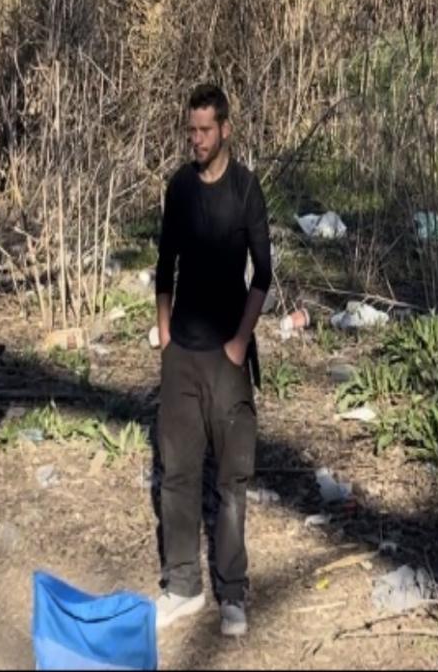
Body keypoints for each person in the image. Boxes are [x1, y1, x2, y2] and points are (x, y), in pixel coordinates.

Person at [152, 84, 273, 640]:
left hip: (227, 354)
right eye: (190, 130)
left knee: (231, 480)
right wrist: (163, 330)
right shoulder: (178, 187)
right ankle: (182, 585)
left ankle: (232, 591)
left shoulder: (247, 190)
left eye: (204, 130)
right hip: (182, 352)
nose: (195, 140)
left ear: (225, 128)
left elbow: (263, 276)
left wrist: (241, 342)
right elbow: (163, 264)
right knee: (176, 475)